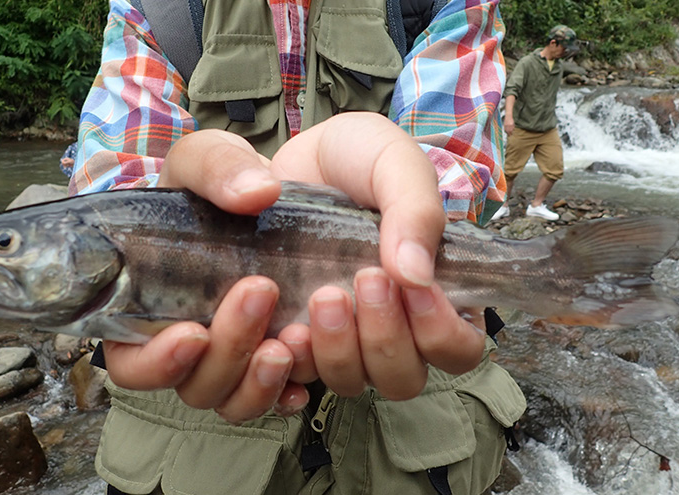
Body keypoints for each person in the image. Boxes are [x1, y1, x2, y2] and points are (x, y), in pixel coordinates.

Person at [70, 1, 526, 494]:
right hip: (196, 441)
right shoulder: (157, 9)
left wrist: (411, 207)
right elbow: (116, 185)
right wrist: (167, 200)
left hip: (417, 426)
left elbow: (452, 160)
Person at [492, 25, 579, 221]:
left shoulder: (558, 66)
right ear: (553, 43)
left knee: (555, 170)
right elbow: (512, 90)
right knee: (510, 171)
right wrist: (509, 118)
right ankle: (502, 205)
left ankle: (536, 205)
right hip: (523, 126)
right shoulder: (527, 63)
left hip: (548, 128)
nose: (566, 53)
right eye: (564, 48)